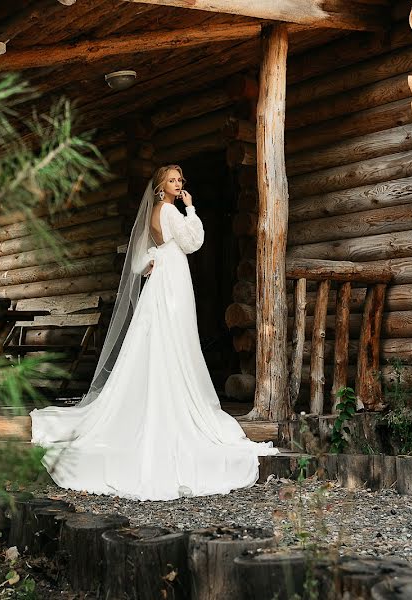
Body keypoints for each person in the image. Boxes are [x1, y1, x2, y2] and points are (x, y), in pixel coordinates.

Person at [30, 165, 277, 501]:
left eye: (180, 180)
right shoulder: (172, 211)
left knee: (158, 336)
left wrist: (153, 261)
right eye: (173, 181)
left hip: (163, 276)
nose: (179, 184)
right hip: (173, 279)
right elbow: (192, 243)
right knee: (173, 335)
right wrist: (191, 208)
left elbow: (144, 260)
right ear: (162, 186)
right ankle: (166, 398)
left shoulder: (155, 214)